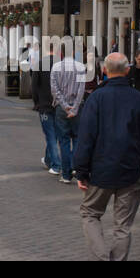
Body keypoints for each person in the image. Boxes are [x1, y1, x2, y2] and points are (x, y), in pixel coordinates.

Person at [73, 52, 140, 261]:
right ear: (127, 70)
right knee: (123, 225)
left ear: (104, 70)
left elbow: (86, 137)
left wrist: (81, 171)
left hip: (101, 169)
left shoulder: (96, 98)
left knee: (90, 213)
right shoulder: (139, 99)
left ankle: (102, 257)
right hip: (130, 170)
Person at [50, 45, 86, 185]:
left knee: (64, 141)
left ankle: (66, 174)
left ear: (62, 53)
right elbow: (81, 90)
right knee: (77, 139)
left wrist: (65, 106)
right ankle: (76, 168)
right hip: (77, 108)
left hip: (61, 108)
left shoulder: (56, 67)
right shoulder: (81, 67)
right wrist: (75, 108)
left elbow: (54, 89)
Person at [31, 56, 60, 176]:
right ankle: (48, 159)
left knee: (50, 135)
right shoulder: (60, 65)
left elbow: (34, 86)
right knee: (54, 135)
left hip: (44, 105)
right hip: (58, 105)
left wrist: (36, 102)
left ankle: (56, 165)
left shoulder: (40, 65)